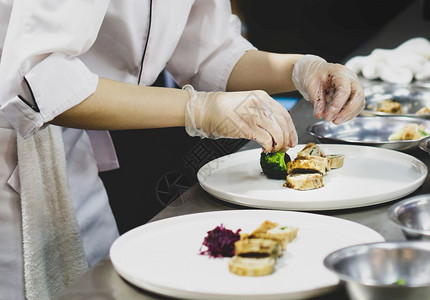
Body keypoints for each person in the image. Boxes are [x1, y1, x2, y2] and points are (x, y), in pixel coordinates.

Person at [0, 1, 365, 299]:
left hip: (72, 156)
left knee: (93, 283)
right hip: (13, 153)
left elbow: (210, 52)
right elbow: (40, 82)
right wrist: (200, 109)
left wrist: (302, 69)